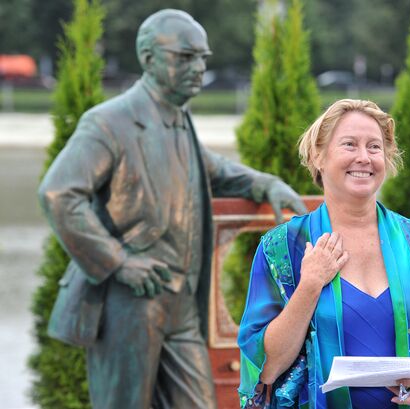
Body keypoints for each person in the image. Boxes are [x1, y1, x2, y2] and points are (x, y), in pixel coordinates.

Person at [38, 9, 306, 409]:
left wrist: (265, 183)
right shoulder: (109, 123)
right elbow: (58, 194)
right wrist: (118, 262)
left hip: (181, 307)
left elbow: (214, 169)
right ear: (148, 58)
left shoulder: (178, 120)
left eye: (202, 57)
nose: (198, 67)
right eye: (185, 57)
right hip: (128, 302)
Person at [238, 99, 410, 408]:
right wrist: (309, 285)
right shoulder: (282, 247)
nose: (364, 157)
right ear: (317, 156)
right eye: (349, 145)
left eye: (374, 147)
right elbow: (265, 369)